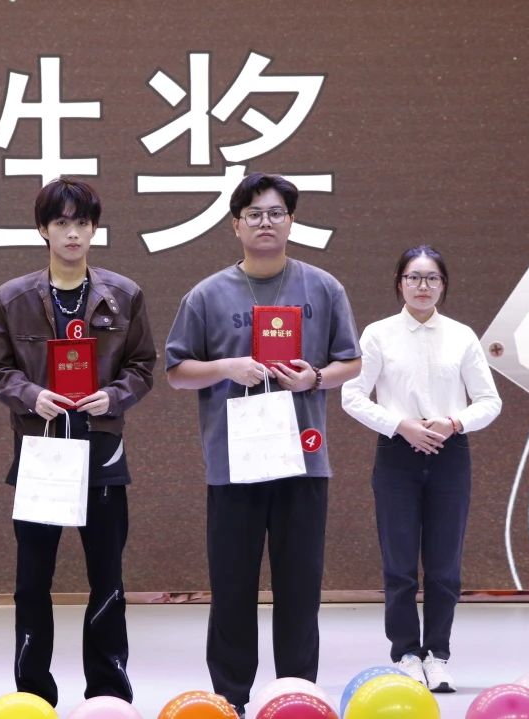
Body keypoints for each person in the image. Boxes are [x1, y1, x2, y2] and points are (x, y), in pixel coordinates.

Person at [163, 173, 361, 716]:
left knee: (300, 588)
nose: (265, 222)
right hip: (234, 465)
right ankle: (230, 697)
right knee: (232, 587)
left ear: (291, 222)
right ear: (236, 225)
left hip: (304, 461)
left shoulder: (324, 287)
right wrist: (227, 367)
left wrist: (314, 378)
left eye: (276, 213)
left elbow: (351, 361)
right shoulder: (206, 295)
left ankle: (296, 695)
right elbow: (177, 371)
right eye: (254, 214)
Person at [0, 177, 155, 706]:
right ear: (43, 230)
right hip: (42, 452)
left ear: (94, 229)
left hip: (103, 451)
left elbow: (143, 366)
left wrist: (113, 396)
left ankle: (108, 691)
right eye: (61, 223)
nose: (72, 233)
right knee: (33, 581)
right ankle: (34, 693)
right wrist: (32, 395)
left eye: (82, 222)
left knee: (108, 578)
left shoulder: (124, 295)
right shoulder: (11, 298)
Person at [341, 245, 501, 693]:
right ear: (400, 283)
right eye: (414, 277)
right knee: (399, 565)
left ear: (443, 285)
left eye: (432, 278)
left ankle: (439, 655)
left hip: (450, 453)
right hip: (398, 453)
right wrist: (401, 425)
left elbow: (489, 401)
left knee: (445, 566)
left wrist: (454, 422)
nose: (423, 286)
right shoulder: (378, 335)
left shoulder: (461, 336)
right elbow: (352, 395)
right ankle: (406, 654)